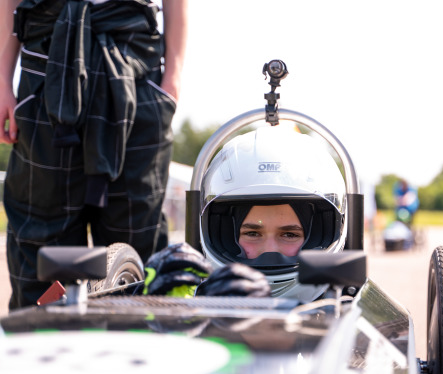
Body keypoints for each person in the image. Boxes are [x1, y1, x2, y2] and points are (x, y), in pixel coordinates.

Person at [0, 0, 188, 310]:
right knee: (41, 247)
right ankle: (43, 348)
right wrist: (3, 77)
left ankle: (135, 354)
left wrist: (173, 79)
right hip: (45, 62)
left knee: (135, 254)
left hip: (134, 67)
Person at [144, 124, 348, 302]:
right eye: (253, 233)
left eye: (289, 235)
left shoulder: (347, 314)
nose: (270, 252)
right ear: (224, 236)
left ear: (318, 236)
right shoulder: (195, 304)